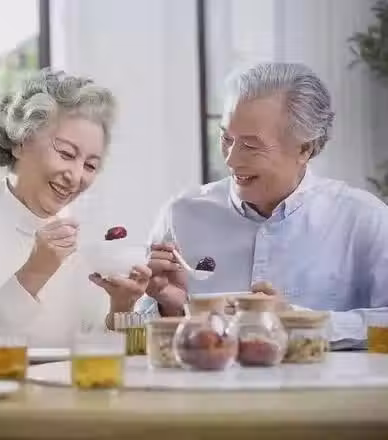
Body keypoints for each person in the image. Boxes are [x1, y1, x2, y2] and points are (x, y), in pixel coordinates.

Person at [137, 62, 388, 349]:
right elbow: (140, 333)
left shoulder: (364, 219)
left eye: (250, 145)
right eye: (226, 139)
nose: (231, 159)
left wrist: (297, 322)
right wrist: (171, 308)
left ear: (305, 148)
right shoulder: (182, 215)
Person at [0, 70, 151, 350]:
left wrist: (123, 307)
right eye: (66, 154)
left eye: (90, 165)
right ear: (21, 142)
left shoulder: (86, 247)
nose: (75, 176)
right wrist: (35, 272)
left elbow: (110, 359)